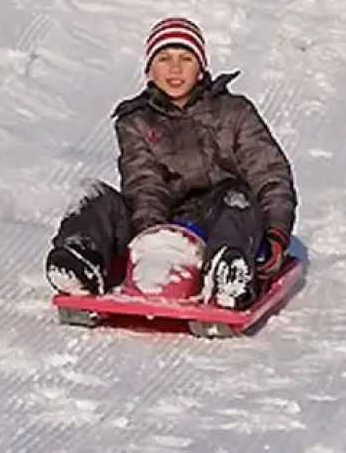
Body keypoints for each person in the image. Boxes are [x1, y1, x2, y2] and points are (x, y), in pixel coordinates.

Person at [45, 17, 298, 309]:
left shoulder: (235, 112)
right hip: (159, 227)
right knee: (90, 194)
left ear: (201, 68)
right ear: (149, 71)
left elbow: (270, 174)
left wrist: (276, 235)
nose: (175, 69)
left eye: (185, 59)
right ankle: (80, 261)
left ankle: (228, 272)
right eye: (164, 59)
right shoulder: (136, 121)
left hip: (224, 221)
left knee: (236, 197)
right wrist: (153, 244)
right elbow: (144, 184)